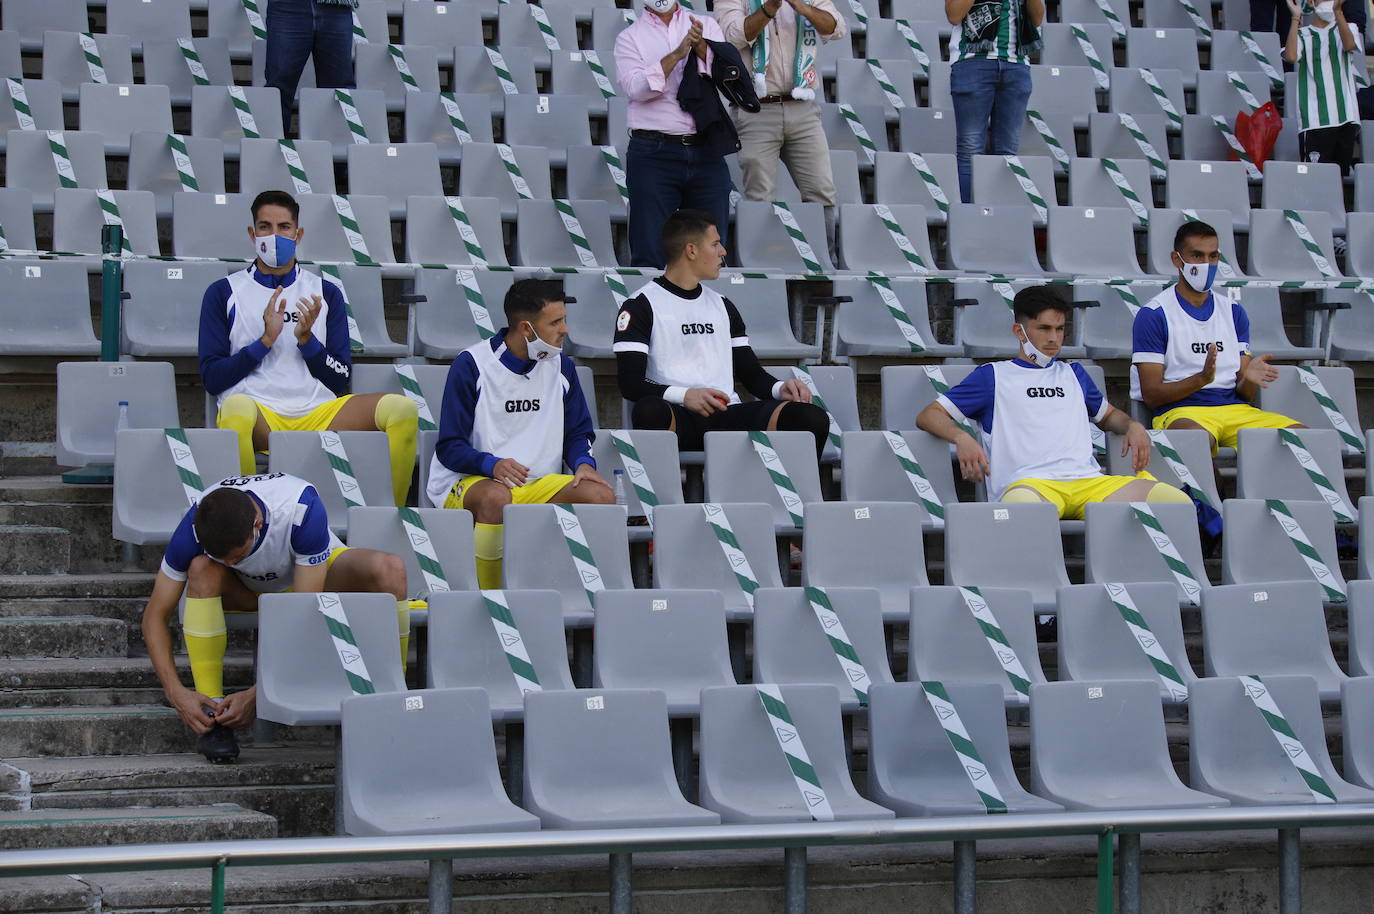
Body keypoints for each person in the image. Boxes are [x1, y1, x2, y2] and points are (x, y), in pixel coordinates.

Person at [140, 472, 407, 763]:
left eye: (237, 556)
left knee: (390, 569)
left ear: (257, 524)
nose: (231, 563)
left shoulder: (300, 507)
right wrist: (175, 692)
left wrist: (259, 694)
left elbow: (304, 614)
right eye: (225, 559)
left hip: (309, 584)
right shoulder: (192, 527)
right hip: (247, 591)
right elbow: (154, 615)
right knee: (203, 568)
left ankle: (396, 695)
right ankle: (212, 715)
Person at [199, 190, 418, 507]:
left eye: (284, 227)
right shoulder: (223, 292)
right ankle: (250, 522)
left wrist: (307, 341)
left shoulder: (325, 292)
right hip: (260, 414)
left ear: (298, 234)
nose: (274, 236)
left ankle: (386, 516)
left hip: (318, 412)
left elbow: (339, 378)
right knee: (234, 411)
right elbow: (212, 378)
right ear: (252, 233)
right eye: (265, 226)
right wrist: (264, 342)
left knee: (403, 410)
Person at [917, 285, 1192, 519]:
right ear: (1019, 331)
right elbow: (929, 415)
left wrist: (1132, 425)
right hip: (1030, 486)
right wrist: (962, 438)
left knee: (1177, 504)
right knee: (1023, 510)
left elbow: (1108, 417)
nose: (1053, 338)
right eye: (1044, 328)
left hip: (1089, 484)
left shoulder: (1073, 373)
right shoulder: (993, 376)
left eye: (1060, 329)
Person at [429, 279, 614, 589]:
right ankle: (488, 599)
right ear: (527, 329)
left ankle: (581, 596)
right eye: (556, 322)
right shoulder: (472, 365)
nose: (565, 330)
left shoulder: (562, 366)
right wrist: (492, 465)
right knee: (495, 497)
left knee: (600, 496)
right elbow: (449, 447)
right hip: (469, 482)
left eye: (564, 320)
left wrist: (583, 463)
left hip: (537, 483)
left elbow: (578, 431)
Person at [614, 209, 829, 458]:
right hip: (678, 417)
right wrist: (686, 395)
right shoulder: (640, 304)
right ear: (691, 250)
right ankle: (667, 495)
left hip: (728, 415)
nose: (723, 252)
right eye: (715, 244)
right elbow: (630, 384)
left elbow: (751, 375)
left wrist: (782, 389)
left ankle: (793, 495)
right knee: (648, 410)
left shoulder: (722, 304)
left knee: (810, 418)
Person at [1131, 220, 1302, 452]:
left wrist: (1249, 379)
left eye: (1213, 256)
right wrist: (1200, 379)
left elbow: (1244, 394)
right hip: (1181, 412)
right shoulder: (1153, 314)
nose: (1206, 264)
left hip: (1236, 410)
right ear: (1176, 259)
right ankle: (1212, 488)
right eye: (1197, 256)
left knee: (1306, 439)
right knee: (1197, 443)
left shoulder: (1233, 312)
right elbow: (1151, 395)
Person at [716, 0, 846, 260]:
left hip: (803, 107)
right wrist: (769, 8)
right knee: (760, 195)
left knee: (821, 191)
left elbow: (836, 27)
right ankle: (762, 264)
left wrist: (804, 8)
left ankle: (824, 266)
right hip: (755, 109)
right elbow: (732, 36)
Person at [615, 0, 734, 267]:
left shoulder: (706, 25)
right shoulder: (629, 38)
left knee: (712, 247)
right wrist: (678, 54)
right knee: (650, 248)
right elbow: (637, 89)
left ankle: (708, 308)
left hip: (705, 147)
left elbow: (726, 75)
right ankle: (650, 308)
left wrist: (701, 46)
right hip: (653, 150)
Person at [945, 0, 1044, 203]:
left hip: (1017, 64)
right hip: (972, 60)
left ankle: (997, 222)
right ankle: (968, 221)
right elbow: (954, 14)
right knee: (970, 150)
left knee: (1007, 153)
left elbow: (1037, 18)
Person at [1284, 0, 1363, 174]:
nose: (1330, 2)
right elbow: (1290, 56)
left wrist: (1338, 12)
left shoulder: (1348, 28)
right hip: (1315, 121)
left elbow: (1349, 45)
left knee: (1338, 181)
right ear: (1311, 2)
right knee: (1314, 180)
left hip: (1346, 119)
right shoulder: (1303, 34)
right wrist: (1296, 18)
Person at [265, 0, 357, 136]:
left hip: (337, 7)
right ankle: (269, 152)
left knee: (338, 91)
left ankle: (337, 153)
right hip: (288, 5)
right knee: (278, 89)